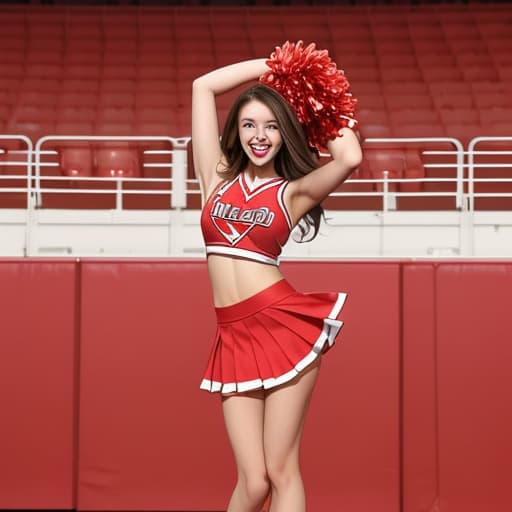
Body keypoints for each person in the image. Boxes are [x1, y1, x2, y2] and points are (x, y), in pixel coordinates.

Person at [192, 41, 362, 512]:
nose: (259, 135)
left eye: (270, 126)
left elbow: (348, 157)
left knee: (282, 470)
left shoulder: (293, 193)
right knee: (252, 482)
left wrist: (313, 90)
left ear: (286, 133)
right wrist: (275, 67)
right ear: (237, 131)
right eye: (249, 124)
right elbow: (203, 87)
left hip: (281, 325)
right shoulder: (215, 178)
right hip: (231, 334)